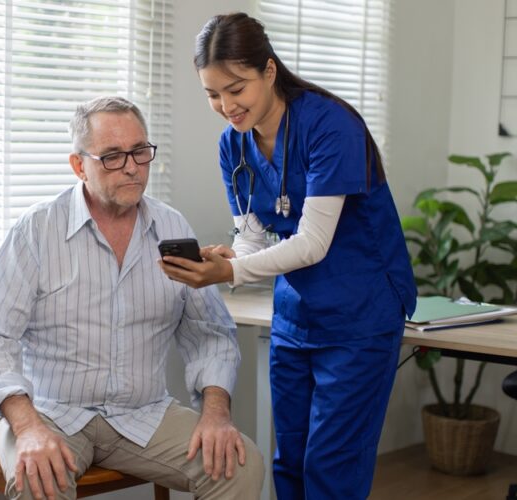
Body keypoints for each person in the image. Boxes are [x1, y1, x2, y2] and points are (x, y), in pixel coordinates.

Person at [158, 13, 417, 500]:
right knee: (290, 461)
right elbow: (255, 235)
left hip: (360, 315)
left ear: (269, 72)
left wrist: (230, 270)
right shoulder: (232, 145)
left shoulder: (329, 125)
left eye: (237, 89)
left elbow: (312, 243)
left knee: (331, 464)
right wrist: (227, 255)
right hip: (297, 318)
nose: (226, 106)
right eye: (213, 94)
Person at [0, 96, 264, 500]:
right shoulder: (36, 230)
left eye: (140, 152)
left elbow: (209, 331)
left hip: (141, 415)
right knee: (39, 481)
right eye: (111, 156)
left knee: (239, 462)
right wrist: (27, 427)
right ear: (79, 166)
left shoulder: (171, 226)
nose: (131, 166)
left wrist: (216, 413)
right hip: (50, 412)